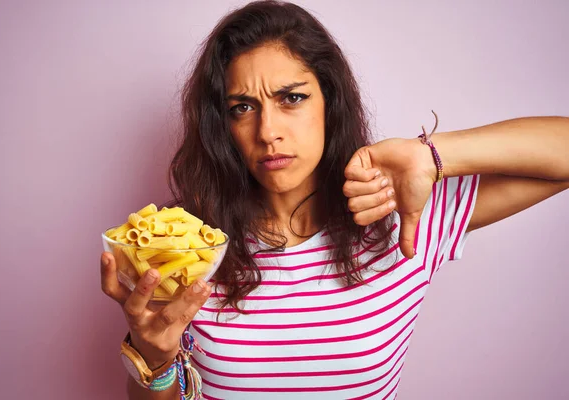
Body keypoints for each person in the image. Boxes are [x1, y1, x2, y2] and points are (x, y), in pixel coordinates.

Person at [100, 1, 569, 399]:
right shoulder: (191, 248)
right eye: (242, 107)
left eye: (292, 98)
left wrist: (431, 154)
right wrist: (155, 361)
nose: (268, 132)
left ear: (331, 101)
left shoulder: (403, 213)